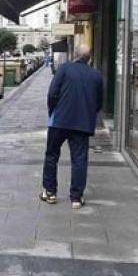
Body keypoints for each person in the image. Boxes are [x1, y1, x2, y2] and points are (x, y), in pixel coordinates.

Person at [40, 44, 104, 209]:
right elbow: (99, 103)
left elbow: (52, 93)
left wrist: (53, 111)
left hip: (60, 120)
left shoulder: (64, 69)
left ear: (74, 55)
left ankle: (50, 192)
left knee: (52, 155)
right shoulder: (96, 75)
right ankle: (76, 198)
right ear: (89, 58)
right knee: (79, 160)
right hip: (82, 123)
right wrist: (88, 114)